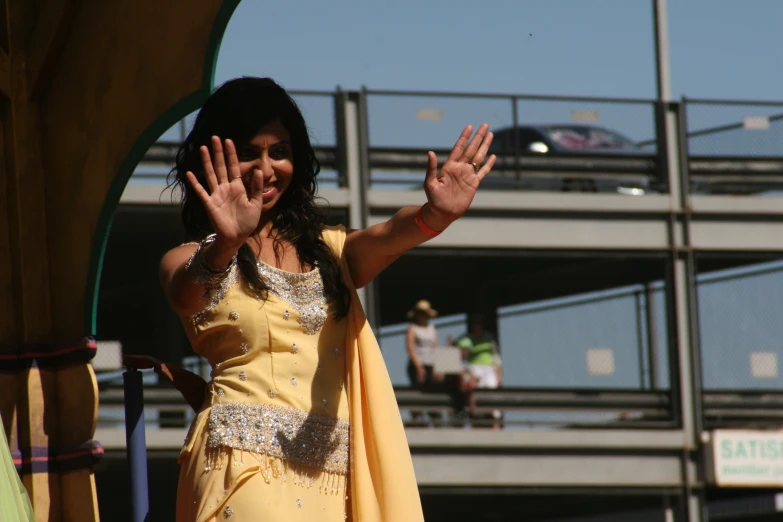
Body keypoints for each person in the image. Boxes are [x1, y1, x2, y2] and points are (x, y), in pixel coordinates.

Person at [156, 77, 496, 521]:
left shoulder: (331, 252)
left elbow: (388, 237)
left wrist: (435, 216)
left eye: (279, 152)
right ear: (213, 158)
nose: (265, 168)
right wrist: (226, 241)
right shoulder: (188, 258)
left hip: (334, 480)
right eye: (247, 153)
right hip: (239, 467)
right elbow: (187, 296)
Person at [456, 314, 503, 429]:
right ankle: (475, 421)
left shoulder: (489, 338)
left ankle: (494, 424)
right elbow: (463, 359)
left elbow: (496, 357)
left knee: (492, 393)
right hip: (474, 369)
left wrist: (498, 373)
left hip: (489, 369)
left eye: (480, 324)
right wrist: (468, 374)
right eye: (475, 324)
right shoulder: (466, 339)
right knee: (475, 394)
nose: (478, 327)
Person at [405, 299, 442, 425]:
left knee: (433, 390)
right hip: (417, 365)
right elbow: (410, 348)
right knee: (418, 390)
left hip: (431, 364)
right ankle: (417, 419)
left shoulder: (432, 329)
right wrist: (419, 367)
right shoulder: (412, 328)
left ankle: (435, 418)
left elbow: (436, 348)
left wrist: (438, 367)